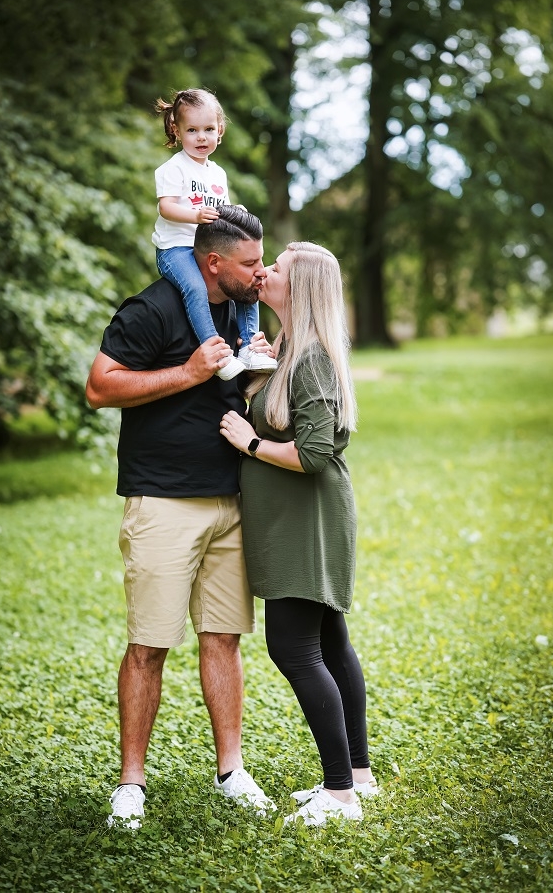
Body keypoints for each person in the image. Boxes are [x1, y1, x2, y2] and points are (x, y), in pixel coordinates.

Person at [86, 205, 276, 829]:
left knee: (223, 638)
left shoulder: (242, 311)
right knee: (149, 646)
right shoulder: (153, 308)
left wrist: (256, 370)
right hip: (163, 501)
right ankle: (131, 783)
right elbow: (100, 387)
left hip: (232, 499)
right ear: (212, 262)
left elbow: (235, 393)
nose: (260, 273)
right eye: (250, 263)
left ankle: (231, 771)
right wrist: (189, 372)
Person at [219, 242, 380, 827]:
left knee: (294, 648)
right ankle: (357, 775)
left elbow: (313, 454)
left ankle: (339, 796)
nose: (264, 272)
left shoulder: (310, 357)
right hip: (299, 518)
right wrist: (255, 376)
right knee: (331, 642)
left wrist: (250, 443)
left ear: (302, 287)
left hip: (307, 522)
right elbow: (286, 416)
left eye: (277, 269)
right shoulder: (290, 349)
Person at [152, 88, 277, 381]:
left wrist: (236, 211)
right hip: (176, 248)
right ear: (177, 130)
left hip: (211, 248)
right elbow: (166, 208)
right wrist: (195, 216)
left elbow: (222, 210)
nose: (201, 137)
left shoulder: (217, 173)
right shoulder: (174, 168)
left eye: (208, 129)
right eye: (192, 130)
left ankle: (249, 346)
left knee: (247, 281)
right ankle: (217, 353)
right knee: (196, 288)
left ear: (220, 130)